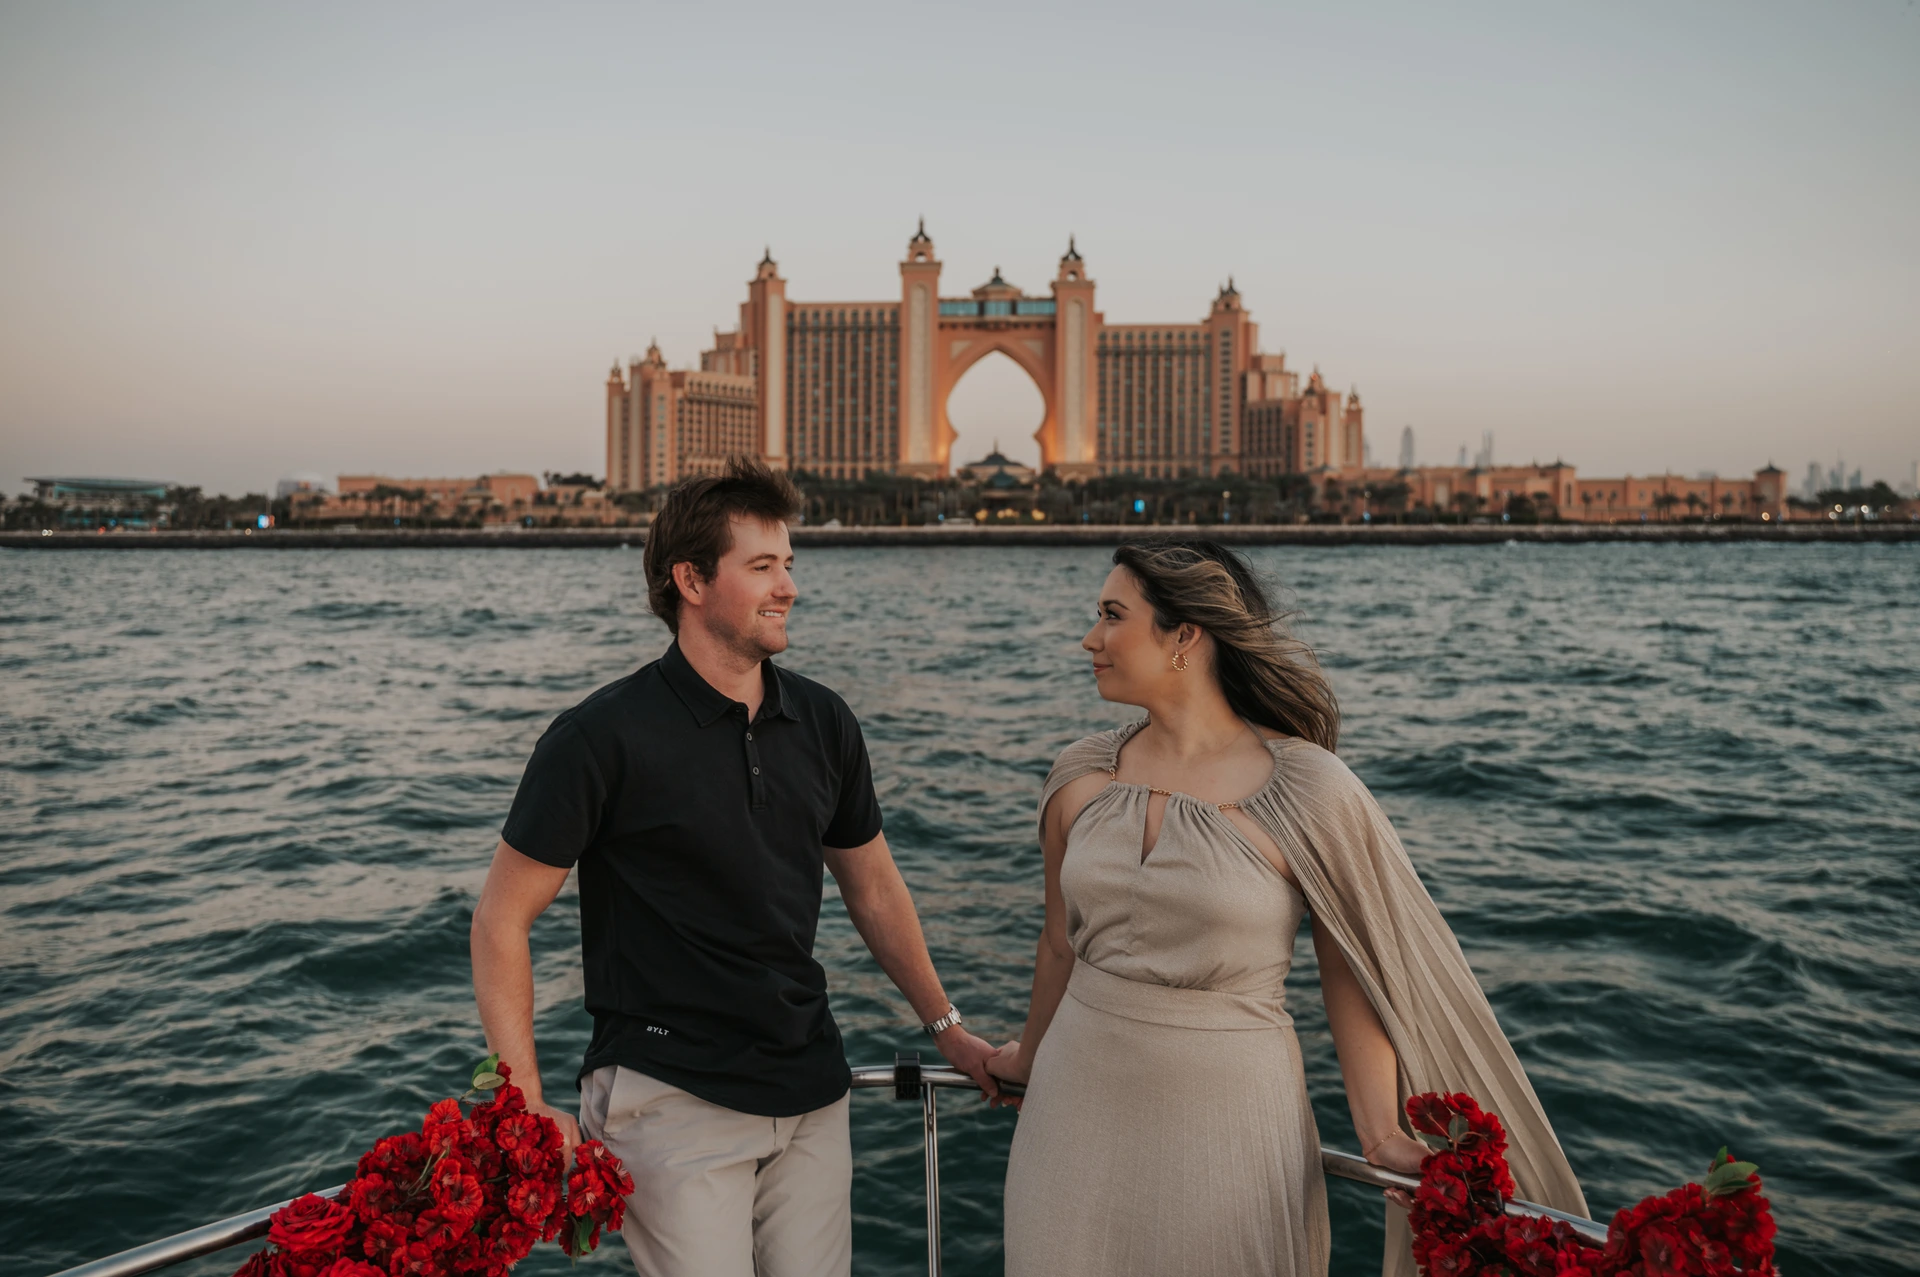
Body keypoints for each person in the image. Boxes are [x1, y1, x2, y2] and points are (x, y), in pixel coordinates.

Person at [985, 541, 1586, 1277]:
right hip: (1069, 1115)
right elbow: (1058, 944)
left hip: (1231, 1124)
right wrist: (1025, 1057)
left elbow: (1352, 962)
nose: (1091, 637)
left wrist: (1379, 1131)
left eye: (1112, 615)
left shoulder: (1308, 788)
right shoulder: (1081, 774)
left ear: (1184, 636)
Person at [470, 458, 998, 1277]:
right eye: (762, 566)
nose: (787, 585)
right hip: (670, 1097)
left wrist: (948, 1030)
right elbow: (502, 919)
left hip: (813, 1090)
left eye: (788, 563)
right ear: (690, 578)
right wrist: (525, 1099)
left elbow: (874, 888)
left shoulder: (823, 719)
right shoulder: (598, 736)